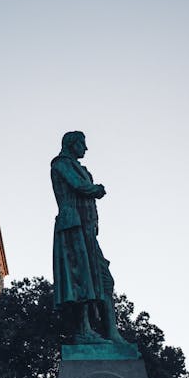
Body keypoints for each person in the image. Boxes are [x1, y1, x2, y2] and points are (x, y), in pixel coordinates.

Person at [50, 131, 124, 343]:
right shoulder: (61, 164)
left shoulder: (77, 167)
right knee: (80, 278)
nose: (86, 148)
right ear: (73, 144)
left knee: (104, 280)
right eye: (83, 143)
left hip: (87, 231)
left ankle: (112, 332)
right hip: (71, 225)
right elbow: (78, 186)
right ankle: (85, 330)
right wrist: (97, 189)